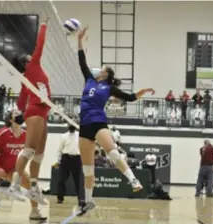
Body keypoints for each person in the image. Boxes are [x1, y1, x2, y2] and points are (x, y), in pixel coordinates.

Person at [76, 26, 155, 215]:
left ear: (106, 74)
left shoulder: (109, 88)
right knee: (87, 168)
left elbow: (129, 97)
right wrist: (79, 40)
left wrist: (141, 92)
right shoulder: (89, 79)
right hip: (84, 124)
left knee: (112, 152)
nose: (98, 70)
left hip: (98, 121)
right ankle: (88, 201)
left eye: (102, 69)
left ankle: (133, 179)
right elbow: (82, 61)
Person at [8, 19, 51, 205]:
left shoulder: (27, 78)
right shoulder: (32, 66)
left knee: (40, 152)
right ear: (26, 62)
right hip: (35, 112)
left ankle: (33, 188)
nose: (30, 55)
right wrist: (43, 26)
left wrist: (17, 113)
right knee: (30, 149)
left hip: (42, 112)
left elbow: (20, 98)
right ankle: (14, 186)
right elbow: (39, 45)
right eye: (28, 56)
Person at [54, 124, 84, 205]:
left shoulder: (80, 135)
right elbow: (60, 150)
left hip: (77, 159)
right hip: (66, 158)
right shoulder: (63, 136)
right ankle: (60, 198)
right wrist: (57, 161)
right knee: (61, 180)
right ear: (68, 126)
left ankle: (81, 199)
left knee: (78, 181)